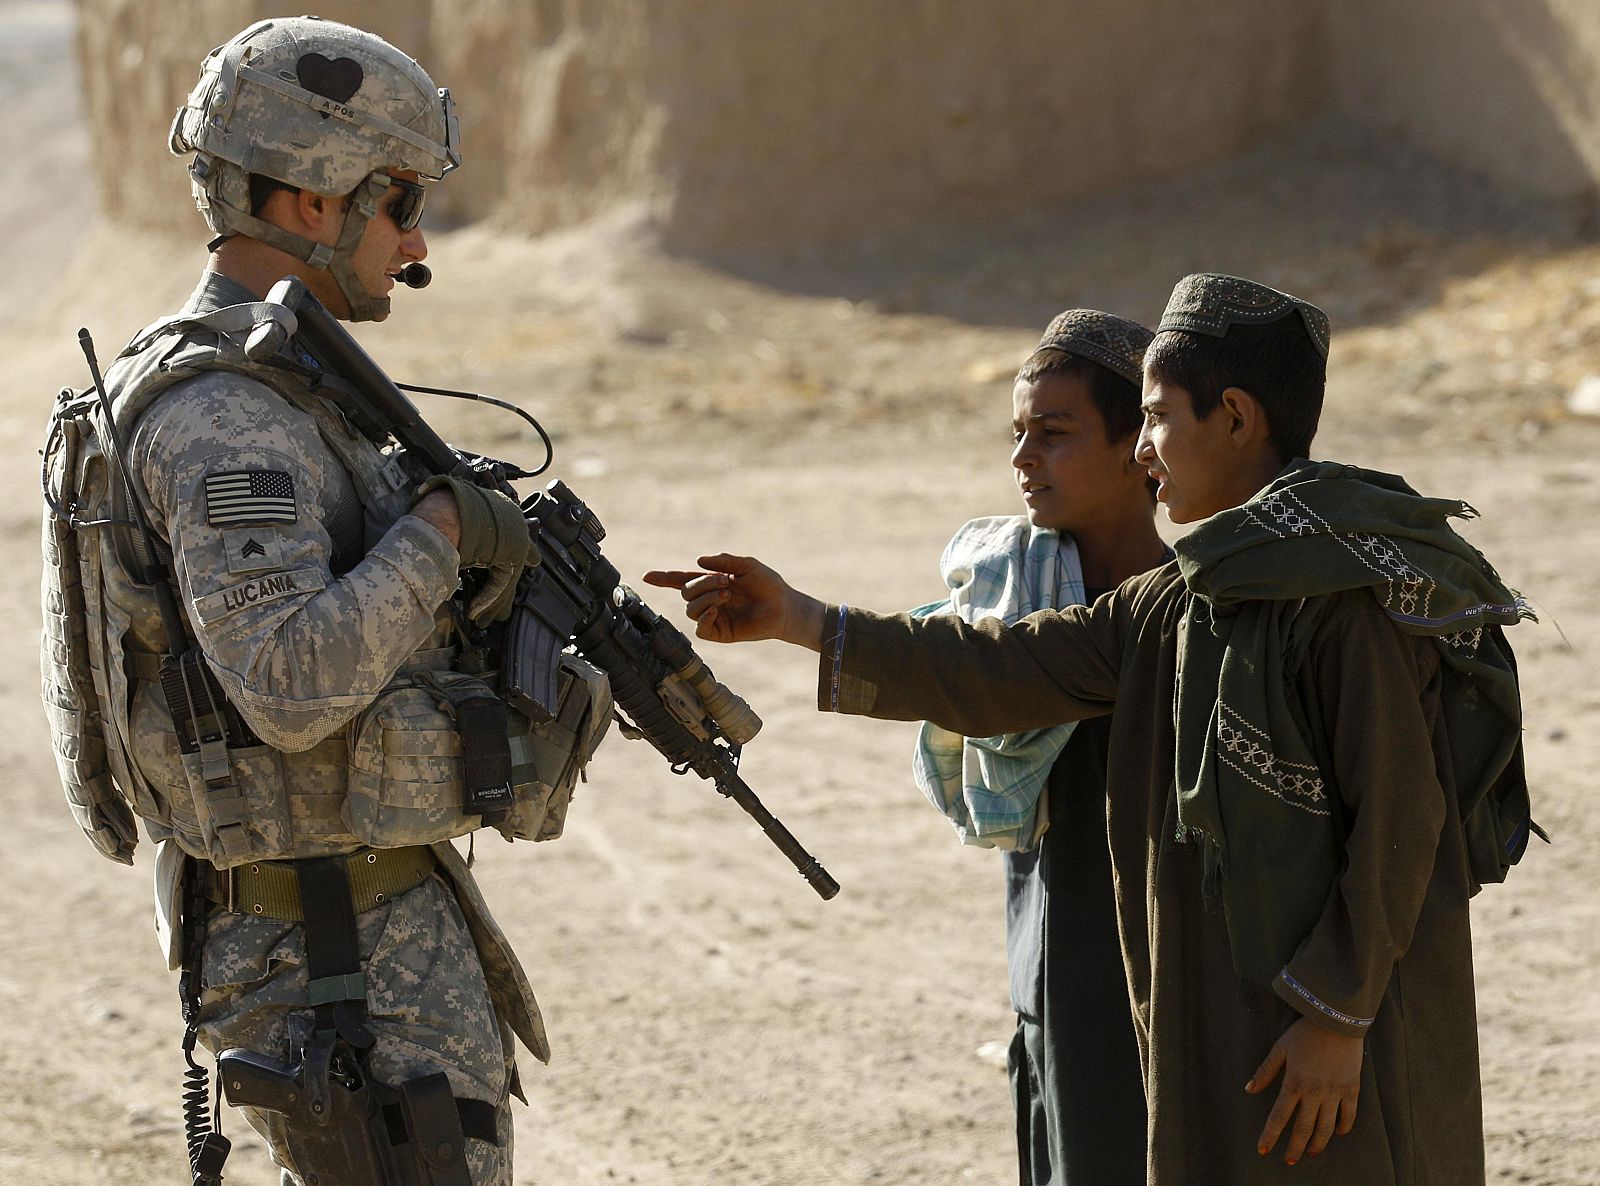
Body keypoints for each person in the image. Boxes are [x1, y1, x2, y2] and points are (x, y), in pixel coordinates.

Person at [646, 273, 1533, 1185]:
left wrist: (1338, 1017)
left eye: (1156, 418)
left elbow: (1400, 818)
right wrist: (799, 619)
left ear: (1233, 418)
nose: (1147, 451)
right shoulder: (1177, 599)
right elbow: (1003, 665)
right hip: (1244, 1020)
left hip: (1342, 1029)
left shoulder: (1339, 598)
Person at [41, 17, 609, 1185]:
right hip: (332, 964)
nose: (414, 239)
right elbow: (292, 683)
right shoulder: (225, 418)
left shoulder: (287, 380)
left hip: (358, 930)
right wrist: (440, 534)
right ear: (307, 203)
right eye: (396, 199)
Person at [909, 309, 1160, 1185]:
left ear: (1143, 448)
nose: (1023, 460)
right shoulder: (1013, 597)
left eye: (1054, 435)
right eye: (1018, 435)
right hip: (1050, 962)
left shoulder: (1181, 614)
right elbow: (943, 668)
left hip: (1159, 977)